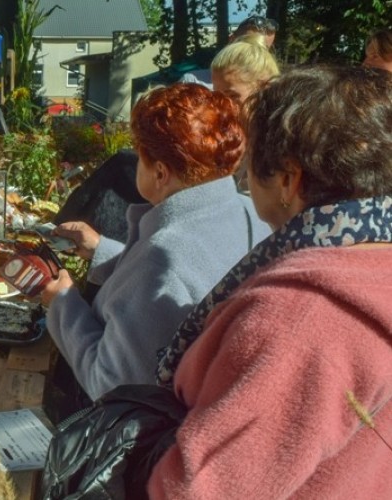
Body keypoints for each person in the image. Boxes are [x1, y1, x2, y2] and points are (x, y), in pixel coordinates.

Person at [149, 64, 392, 498]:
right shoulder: (372, 264)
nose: (242, 178)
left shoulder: (300, 316)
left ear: (287, 178)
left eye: (249, 163)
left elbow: (200, 489)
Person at [40, 83, 272, 402]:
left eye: (139, 156)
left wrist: (61, 302)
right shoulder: (250, 213)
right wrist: (101, 250)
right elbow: (177, 284)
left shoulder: (161, 257)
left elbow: (110, 384)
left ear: (160, 173)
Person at [210, 32, 280, 191]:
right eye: (217, 96)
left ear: (264, 89)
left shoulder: (281, 148)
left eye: (233, 96)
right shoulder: (223, 139)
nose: (222, 106)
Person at [178, 15, 279, 89]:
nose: (253, 54)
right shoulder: (193, 83)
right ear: (231, 40)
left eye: (263, 49)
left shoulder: (269, 89)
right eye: (246, 45)